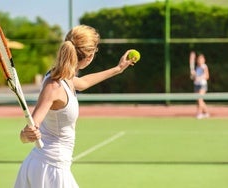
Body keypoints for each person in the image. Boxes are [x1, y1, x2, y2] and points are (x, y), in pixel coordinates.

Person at [14, 25, 136, 188]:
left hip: (51, 165)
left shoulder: (65, 77)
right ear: (90, 56)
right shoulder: (54, 85)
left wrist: (118, 69)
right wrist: (27, 133)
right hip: (50, 169)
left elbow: (83, 82)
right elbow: (25, 135)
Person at [189, 51, 210, 119]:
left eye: (202, 59)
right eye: (199, 59)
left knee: (200, 99)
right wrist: (193, 76)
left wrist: (199, 78)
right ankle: (206, 113)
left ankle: (199, 113)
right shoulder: (197, 68)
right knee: (199, 101)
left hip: (202, 85)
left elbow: (207, 76)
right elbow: (194, 78)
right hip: (196, 85)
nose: (200, 60)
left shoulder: (204, 67)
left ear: (204, 60)